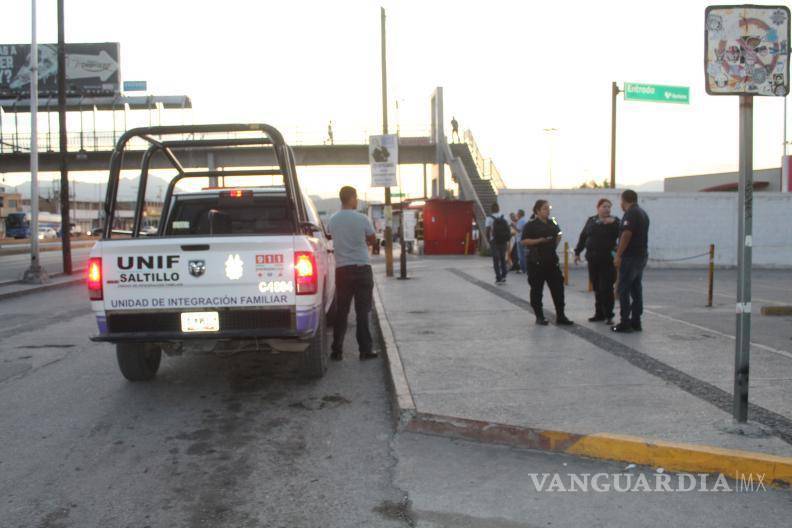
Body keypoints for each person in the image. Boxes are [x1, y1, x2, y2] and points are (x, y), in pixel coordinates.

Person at [326, 186, 378, 360]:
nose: (357, 201)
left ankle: (336, 351)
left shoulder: (333, 220)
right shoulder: (362, 219)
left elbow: (329, 237)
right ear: (352, 198)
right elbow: (373, 239)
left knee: (342, 311)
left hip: (342, 270)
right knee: (362, 312)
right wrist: (362, 241)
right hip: (362, 268)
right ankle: (365, 350)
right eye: (356, 198)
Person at [521, 200, 573, 326]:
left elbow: (559, 234)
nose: (548, 210)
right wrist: (539, 241)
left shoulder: (553, 221)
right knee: (537, 290)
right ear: (537, 210)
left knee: (558, 289)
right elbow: (524, 241)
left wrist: (554, 244)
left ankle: (561, 316)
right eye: (544, 208)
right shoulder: (530, 224)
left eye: (548, 208)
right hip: (536, 263)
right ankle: (539, 316)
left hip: (552, 262)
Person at [574, 198, 620, 325]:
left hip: (607, 260)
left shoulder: (615, 221)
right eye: (604, 206)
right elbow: (583, 237)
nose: (607, 209)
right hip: (593, 259)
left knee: (606, 287)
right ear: (598, 207)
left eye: (609, 207)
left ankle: (609, 315)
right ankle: (599, 313)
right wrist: (577, 252)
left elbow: (623, 234)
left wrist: (614, 224)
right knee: (597, 287)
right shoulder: (591, 220)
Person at [612, 189, 650, 333]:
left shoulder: (631, 213)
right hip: (640, 256)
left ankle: (625, 322)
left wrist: (618, 255)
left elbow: (626, 234)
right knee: (636, 289)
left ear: (624, 200)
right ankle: (636, 321)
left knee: (624, 289)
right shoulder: (643, 213)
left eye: (621, 201)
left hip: (630, 257)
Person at [485, 202, 510, 284]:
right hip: (503, 240)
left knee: (496, 260)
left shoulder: (489, 218)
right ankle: (504, 276)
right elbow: (507, 228)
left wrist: (489, 240)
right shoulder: (504, 216)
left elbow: (487, 230)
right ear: (499, 208)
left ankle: (498, 278)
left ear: (491, 209)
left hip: (494, 240)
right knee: (503, 258)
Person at [514, 209, 528, 274]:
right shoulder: (524, 220)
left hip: (520, 239)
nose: (516, 214)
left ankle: (523, 269)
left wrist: (513, 226)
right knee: (524, 254)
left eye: (517, 213)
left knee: (521, 255)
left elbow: (519, 230)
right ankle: (525, 268)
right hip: (524, 239)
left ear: (520, 214)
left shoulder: (521, 221)